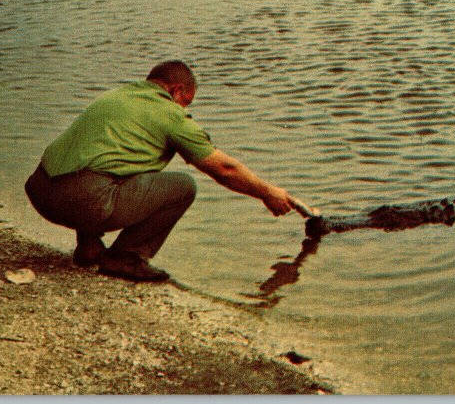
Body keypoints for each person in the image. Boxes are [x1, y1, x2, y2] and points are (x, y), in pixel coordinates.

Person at [25, 60, 309, 282]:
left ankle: (89, 248)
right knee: (182, 186)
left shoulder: (117, 96)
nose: (185, 110)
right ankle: (125, 257)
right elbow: (224, 169)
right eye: (187, 103)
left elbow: (90, 156)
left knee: (114, 163)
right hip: (85, 202)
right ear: (176, 92)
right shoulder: (168, 113)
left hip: (41, 192)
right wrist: (267, 193)